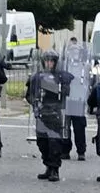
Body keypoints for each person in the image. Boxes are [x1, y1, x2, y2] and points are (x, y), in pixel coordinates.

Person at [26, 49, 73, 182]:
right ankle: (47, 166)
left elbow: (65, 92)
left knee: (54, 142)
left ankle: (55, 169)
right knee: (42, 142)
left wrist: (51, 86)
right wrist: (35, 102)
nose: (49, 63)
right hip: (42, 112)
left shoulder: (61, 77)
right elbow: (29, 94)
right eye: (46, 60)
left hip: (55, 112)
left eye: (51, 61)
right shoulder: (37, 77)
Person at [61, 40, 91, 162]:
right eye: (72, 51)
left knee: (79, 128)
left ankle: (81, 151)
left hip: (79, 100)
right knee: (65, 127)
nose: (74, 54)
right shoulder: (64, 66)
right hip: (67, 99)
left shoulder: (85, 66)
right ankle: (65, 150)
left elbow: (89, 83)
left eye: (76, 51)